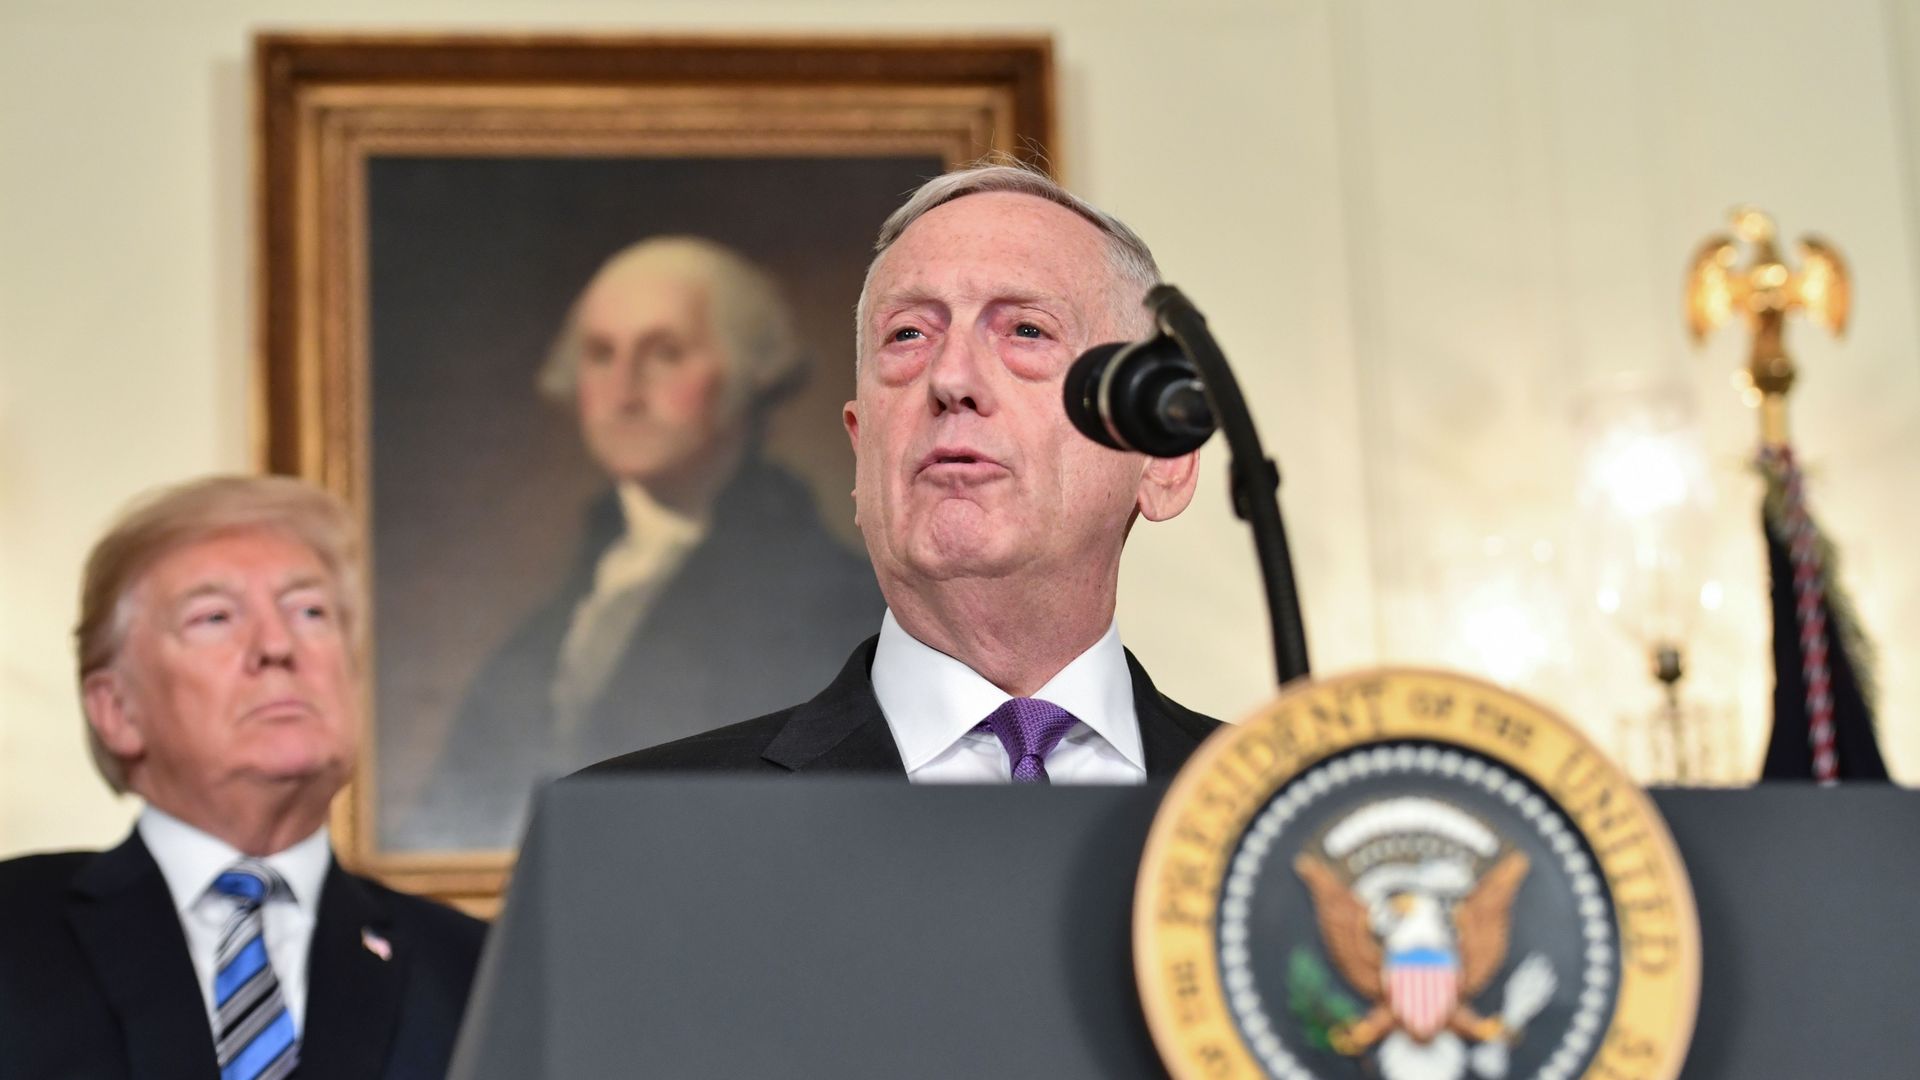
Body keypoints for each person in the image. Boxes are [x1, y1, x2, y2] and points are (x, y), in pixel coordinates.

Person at [587, 163, 1220, 780]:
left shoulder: (1293, 817)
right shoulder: (633, 828)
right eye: (909, 335)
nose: (950, 379)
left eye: (1027, 329)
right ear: (862, 452)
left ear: (1163, 458)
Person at [0, 476, 484, 1079]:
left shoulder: (475, 970)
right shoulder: (16, 933)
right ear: (117, 710)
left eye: (310, 612)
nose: (278, 645)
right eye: (215, 617)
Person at [411, 237, 884, 847]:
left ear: (745, 373)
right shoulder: (559, 612)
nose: (626, 386)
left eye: (664, 352)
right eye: (601, 354)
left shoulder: (837, 600)